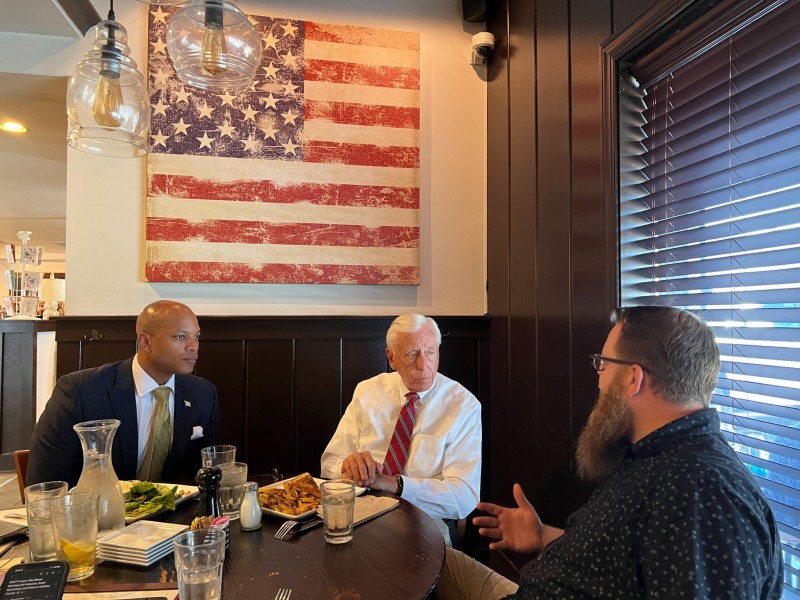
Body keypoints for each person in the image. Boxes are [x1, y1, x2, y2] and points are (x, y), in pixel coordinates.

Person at [436, 306, 783, 599]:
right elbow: (628, 562)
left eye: (603, 364)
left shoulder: (699, 492)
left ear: (633, 378)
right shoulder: (653, 457)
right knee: (434, 558)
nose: (598, 379)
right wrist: (544, 536)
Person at [321, 312, 482, 546]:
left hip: (425, 519)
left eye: (430, 353)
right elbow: (329, 463)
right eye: (412, 354)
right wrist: (347, 466)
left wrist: (396, 485)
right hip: (361, 511)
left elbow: (464, 497)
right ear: (392, 357)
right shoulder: (367, 392)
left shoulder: (463, 405)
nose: (423, 365)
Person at [27, 300, 219, 487]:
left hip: (174, 516)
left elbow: (203, 479)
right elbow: (48, 486)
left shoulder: (203, 394)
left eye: (197, 337)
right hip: (96, 515)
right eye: (180, 337)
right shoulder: (79, 391)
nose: (194, 346)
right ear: (146, 342)